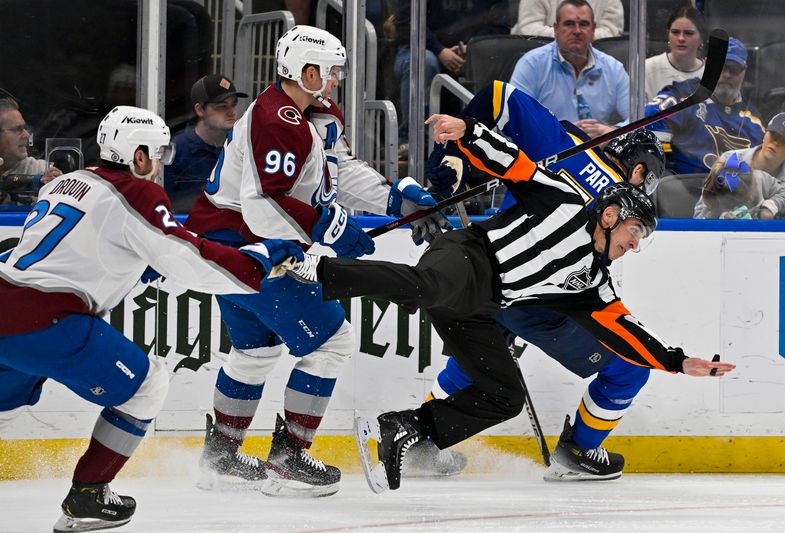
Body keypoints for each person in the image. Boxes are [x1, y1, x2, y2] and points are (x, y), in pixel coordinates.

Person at [287, 114, 735, 492]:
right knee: (428, 285)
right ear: (613, 215)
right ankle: (317, 272)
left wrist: (677, 362)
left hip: (485, 306)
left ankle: (408, 429)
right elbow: (515, 164)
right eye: (635, 234)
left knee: (505, 396)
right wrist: (467, 132)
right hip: (468, 255)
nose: (636, 246)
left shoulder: (592, 283)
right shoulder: (566, 197)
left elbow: (626, 330)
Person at [0, 105, 303, 532]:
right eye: (156, 153)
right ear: (137, 156)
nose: (159, 163)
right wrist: (257, 261)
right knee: (146, 385)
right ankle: (88, 494)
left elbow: (80, 247)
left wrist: (140, 260)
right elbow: (188, 259)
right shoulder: (137, 192)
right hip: (48, 317)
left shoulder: (69, 182)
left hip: (6, 304)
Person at [184, 25, 442, 497]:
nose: (337, 79)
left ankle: (222, 458)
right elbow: (265, 202)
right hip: (253, 249)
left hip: (227, 249)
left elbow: (337, 171)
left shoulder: (313, 113)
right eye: (331, 71)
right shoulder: (277, 120)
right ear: (305, 71)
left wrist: (394, 199)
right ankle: (289, 460)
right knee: (331, 342)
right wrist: (330, 227)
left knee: (255, 351)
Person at [411, 80, 667, 480]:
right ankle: (580, 451)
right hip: (546, 303)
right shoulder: (611, 191)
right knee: (632, 364)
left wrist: (446, 160)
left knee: (474, 362)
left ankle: (420, 445)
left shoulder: (565, 146)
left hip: (493, 280)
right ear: (637, 169)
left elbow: (499, 96)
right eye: (648, 182)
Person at [391, 0, 512, 147]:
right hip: (421, 48)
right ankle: (410, 141)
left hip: (470, 50)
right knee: (424, 62)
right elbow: (405, 23)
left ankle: (482, 143)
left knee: (492, 58)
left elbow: (500, 24)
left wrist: (472, 48)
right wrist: (440, 50)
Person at [645, 37, 765, 175]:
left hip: (736, 193)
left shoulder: (755, 122)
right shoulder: (684, 96)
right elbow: (651, 120)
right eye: (720, 66)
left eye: (734, 69)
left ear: (744, 71)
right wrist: (664, 165)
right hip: (687, 189)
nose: (726, 74)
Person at [510, 0, 629, 138]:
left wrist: (610, 131)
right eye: (569, 24)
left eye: (584, 24)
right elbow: (515, 120)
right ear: (556, 29)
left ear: (593, 29)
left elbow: (638, 118)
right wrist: (561, 132)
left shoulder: (613, 68)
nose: (577, 31)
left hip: (597, 153)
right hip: (546, 152)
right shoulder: (531, 64)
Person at [164, 74, 248, 213]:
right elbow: (163, 205)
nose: (231, 112)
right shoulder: (177, 150)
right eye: (222, 107)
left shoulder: (242, 147)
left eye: (234, 104)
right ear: (200, 110)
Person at [694, 111, 785, 219]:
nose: (776, 142)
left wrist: (768, 215)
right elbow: (701, 213)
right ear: (765, 133)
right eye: (773, 134)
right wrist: (723, 218)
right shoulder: (730, 160)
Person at [0, 98, 62, 205]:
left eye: (25, 128)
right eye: (17, 129)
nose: (27, 135)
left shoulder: (42, 171)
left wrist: (60, 186)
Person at [644, 5, 706, 101]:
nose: (681, 38)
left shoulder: (712, 75)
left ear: (701, 38)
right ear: (668, 34)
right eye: (675, 32)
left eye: (689, 33)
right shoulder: (646, 69)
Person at [511, 0, 623, 40]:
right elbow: (527, 28)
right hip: (539, 52)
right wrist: (565, 35)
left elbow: (612, 30)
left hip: (592, 54)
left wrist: (580, 36)